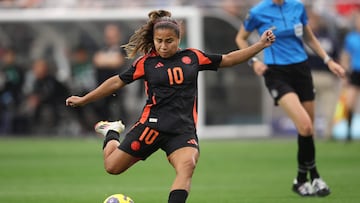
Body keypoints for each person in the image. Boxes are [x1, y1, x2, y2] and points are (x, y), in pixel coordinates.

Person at [66, 10, 275, 203]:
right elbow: (116, 82)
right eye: (159, 41)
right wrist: (85, 99)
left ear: (179, 39)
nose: (163, 46)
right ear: (153, 40)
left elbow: (228, 59)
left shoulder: (193, 57)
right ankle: (112, 131)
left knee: (187, 166)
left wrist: (260, 45)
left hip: (182, 130)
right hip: (151, 126)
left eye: (169, 41)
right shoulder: (146, 63)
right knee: (112, 167)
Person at [235, 0, 345, 197]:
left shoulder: (297, 6)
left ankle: (301, 180)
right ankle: (316, 176)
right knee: (305, 126)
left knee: (307, 131)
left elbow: (309, 36)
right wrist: (253, 62)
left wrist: (328, 61)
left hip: (301, 69)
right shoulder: (258, 12)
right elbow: (240, 39)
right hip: (277, 73)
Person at [93, 23, 128, 123]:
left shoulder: (123, 48)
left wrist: (105, 60)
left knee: (119, 108)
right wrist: (109, 60)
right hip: (102, 84)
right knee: (102, 107)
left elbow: (117, 62)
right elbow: (97, 61)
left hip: (118, 86)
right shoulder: (101, 47)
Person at [339, 11, 360, 141]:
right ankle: (348, 132)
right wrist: (345, 75)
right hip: (355, 73)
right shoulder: (351, 38)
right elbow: (345, 57)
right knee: (350, 102)